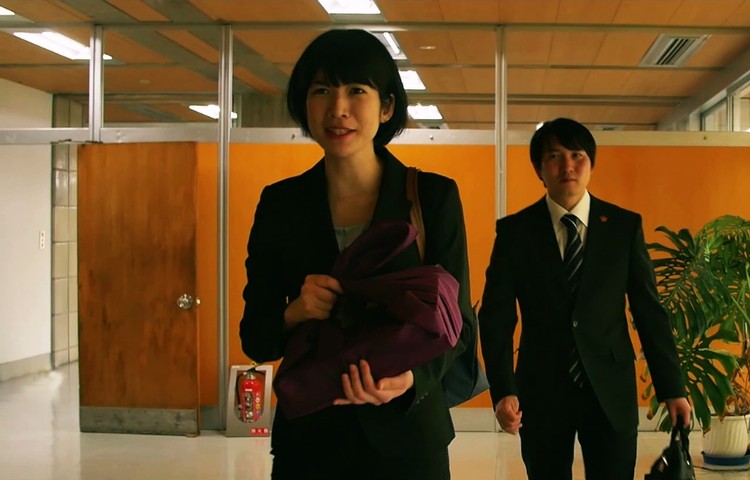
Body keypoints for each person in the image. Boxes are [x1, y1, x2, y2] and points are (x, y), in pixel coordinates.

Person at [239, 29, 474, 480]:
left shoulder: (432, 196)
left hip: (408, 439)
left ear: (386, 107)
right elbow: (255, 337)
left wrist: (411, 379)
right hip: (310, 441)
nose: (338, 109)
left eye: (357, 91)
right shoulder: (281, 204)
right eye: (321, 91)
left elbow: (459, 324)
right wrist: (295, 312)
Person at [478, 117, 692, 479]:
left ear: (591, 164)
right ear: (539, 169)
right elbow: (496, 317)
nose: (568, 166)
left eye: (577, 155)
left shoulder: (623, 227)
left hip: (610, 389)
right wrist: (502, 391)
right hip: (541, 390)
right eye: (555, 157)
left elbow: (648, 311)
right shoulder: (516, 232)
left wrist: (672, 388)